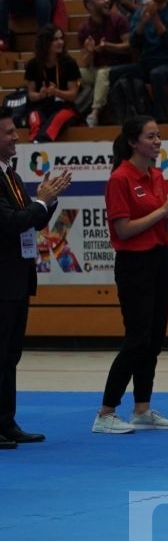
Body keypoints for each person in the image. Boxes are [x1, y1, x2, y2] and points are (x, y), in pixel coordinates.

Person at [92, 117, 168, 436]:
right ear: (134, 142)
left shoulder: (157, 175)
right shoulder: (120, 178)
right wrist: (162, 211)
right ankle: (106, 412)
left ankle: (142, 408)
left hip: (159, 258)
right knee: (136, 339)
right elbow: (123, 229)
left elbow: (162, 226)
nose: (158, 141)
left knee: (153, 339)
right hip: (133, 263)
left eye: (159, 136)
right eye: (151, 137)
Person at [0, 120, 71, 448]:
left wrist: (49, 200)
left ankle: (6, 421)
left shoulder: (10, 174)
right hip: (2, 279)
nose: (16, 137)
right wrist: (40, 203)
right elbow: (11, 222)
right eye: (9, 133)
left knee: (10, 354)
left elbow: (31, 218)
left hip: (16, 277)